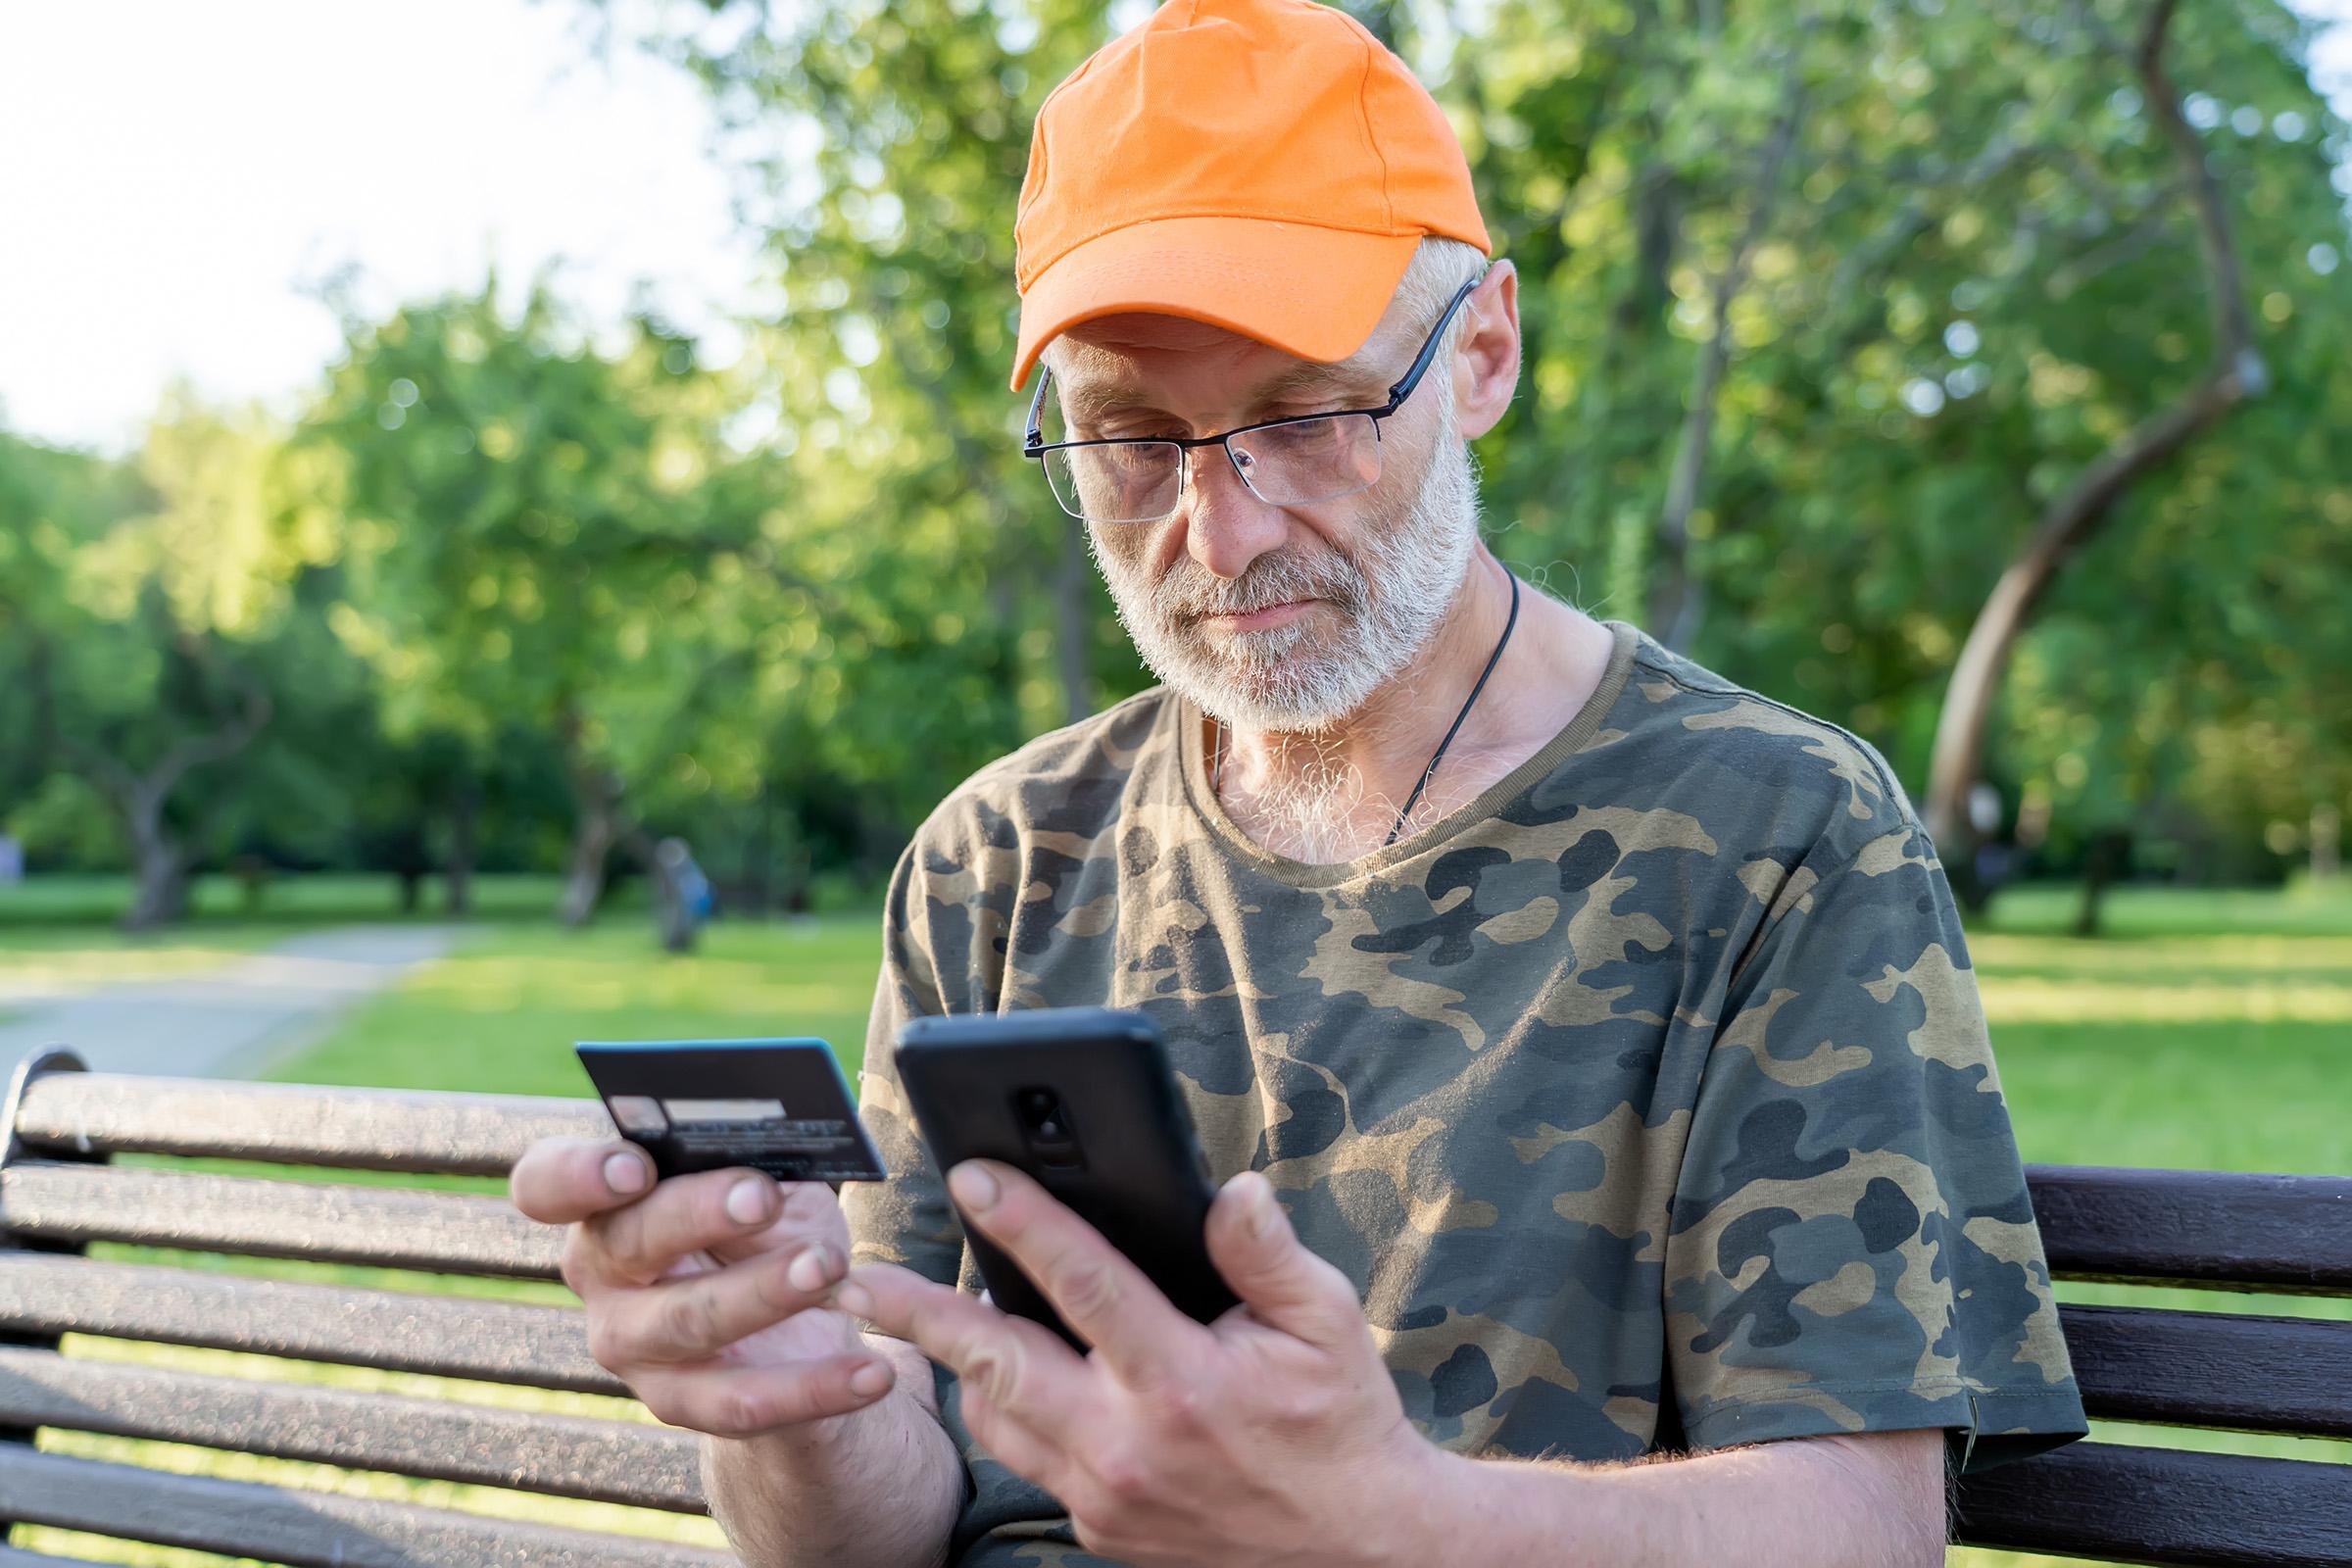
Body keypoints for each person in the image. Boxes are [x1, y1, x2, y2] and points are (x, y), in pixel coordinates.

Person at [511, 2, 2088, 1563]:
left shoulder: (1776, 835)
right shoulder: (996, 859)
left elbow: (1862, 1533)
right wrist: (788, 1391)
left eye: (1305, 413)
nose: (1221, 529)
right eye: (1130, 438)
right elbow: (873, 1530)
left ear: (1480, 353)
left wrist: (1399, 1520)